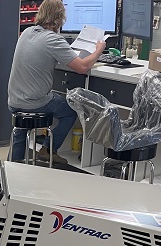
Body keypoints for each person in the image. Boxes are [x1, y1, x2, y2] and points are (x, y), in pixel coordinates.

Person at [8, 0, 106, 165]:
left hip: (14, 100)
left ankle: (12, 166)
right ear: (60, 19)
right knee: (70, 111)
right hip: (35, 102)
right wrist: (98, 51)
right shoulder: (53, 40)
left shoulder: (27, 32)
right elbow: (82, 67)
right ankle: (48, 150)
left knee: (21, 130)